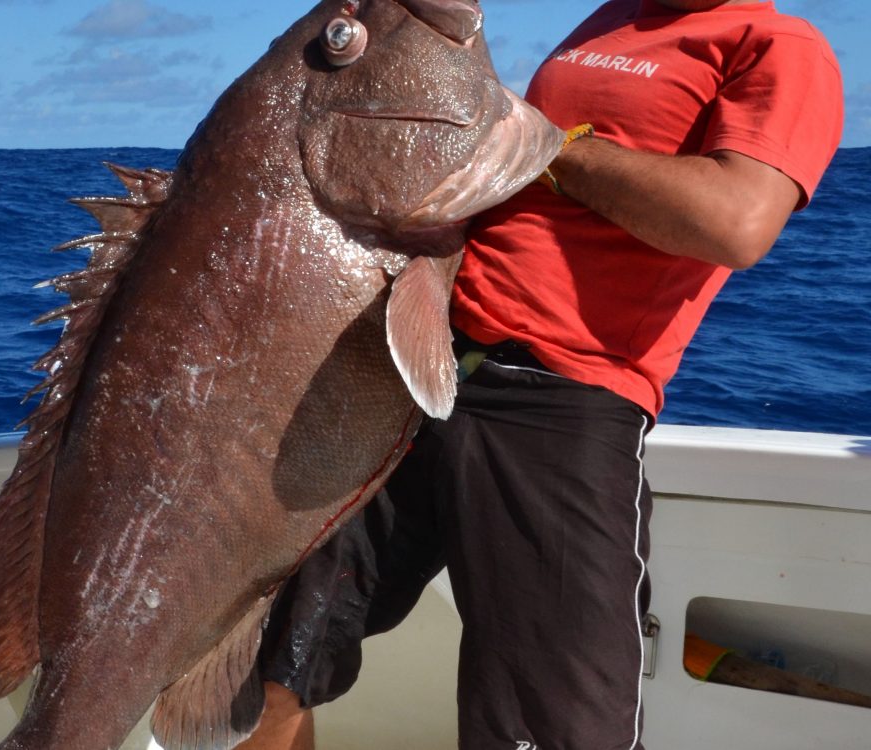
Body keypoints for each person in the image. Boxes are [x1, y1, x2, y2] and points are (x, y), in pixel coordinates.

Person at [242, 1, 844, 748]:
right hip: (417, 368)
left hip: (559, 403)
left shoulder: (778, 46)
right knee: (273, 662)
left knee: (550, 729)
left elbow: (735, 223)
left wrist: (546, 145)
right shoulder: (611, 18)